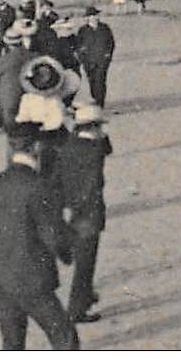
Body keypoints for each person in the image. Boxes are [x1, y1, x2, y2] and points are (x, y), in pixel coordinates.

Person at [0, 123, 79, 350]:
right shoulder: (39, 186)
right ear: (36, 147)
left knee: (12, 344)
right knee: (64, 338)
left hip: (1, 278)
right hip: (32, 277)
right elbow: (52, 234)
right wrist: (67, 252)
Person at [56, 103, 113, 324]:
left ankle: (86, 295)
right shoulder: (94, 151)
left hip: (72, 209)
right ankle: (77, 308)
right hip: (88, 213)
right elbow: (106, 148)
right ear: (94, 126)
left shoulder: (69, 145)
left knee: (84, 261)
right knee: (86, 264)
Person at [75, 6, 115, 107]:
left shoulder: (105, 28)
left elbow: (111, 42)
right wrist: (82, 56)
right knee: (92, 80)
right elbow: (78, 44)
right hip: (88, 60)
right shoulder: (83, 30)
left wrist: (108, 55)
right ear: (87, 18)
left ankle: (100, 102)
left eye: (96, 15)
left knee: (100, 80)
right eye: (92, 16)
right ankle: (95, 98)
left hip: (102, 59)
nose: (94, 17)